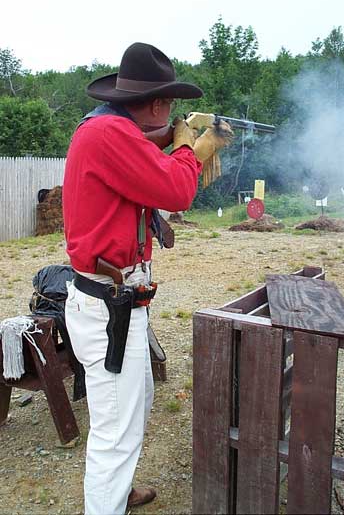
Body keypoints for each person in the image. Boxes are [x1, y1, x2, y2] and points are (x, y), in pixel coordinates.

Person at [62, 42, 231, 515]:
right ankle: (107, 502)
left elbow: (148, 164)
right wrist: (186, 150)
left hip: (117, 299)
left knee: (132, 407)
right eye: (171, 108)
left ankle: (118, 488)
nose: (173, 115)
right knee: (116, 429)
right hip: (109, 304)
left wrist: (177, 145)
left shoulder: (109, 129)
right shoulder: (111, 136)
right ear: (157, 103)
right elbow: (175, 190)